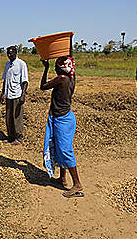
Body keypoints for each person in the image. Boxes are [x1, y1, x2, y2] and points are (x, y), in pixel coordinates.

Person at [40, 55, 83, 198]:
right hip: (61, 118)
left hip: (62, 120)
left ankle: (77, 184)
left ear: (62, 68)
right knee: (59, 148)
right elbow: (71, 60)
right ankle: (62, 178)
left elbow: (43, 86)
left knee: (65, 150)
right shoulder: (71, 77)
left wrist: (45, 69)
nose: (55, 68)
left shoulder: (62, 79)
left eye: (57, 66)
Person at [0, 46, 28, 145]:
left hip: (17, 94)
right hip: (8, 94)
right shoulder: (7, 64)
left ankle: (18, 137)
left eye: (11, 53)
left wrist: (23, 95)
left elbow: (25, 81)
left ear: (16, 53)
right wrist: (2, 93)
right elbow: (5, 80)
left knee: (17, 117)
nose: (9, 55)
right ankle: (10, 136)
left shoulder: (21, 64)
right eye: (8, 53)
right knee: (9, 117)